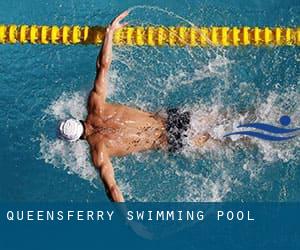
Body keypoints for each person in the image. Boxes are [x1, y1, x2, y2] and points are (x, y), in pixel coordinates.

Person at [58, 11, 210, 202]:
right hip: (172, 118)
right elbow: (103, 66)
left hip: (171, 140)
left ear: (76, 140)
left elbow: (112, 189)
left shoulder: (99, 152)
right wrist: (109, 33)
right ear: (76, 119)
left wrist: (131, 222)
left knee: (228, 141)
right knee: (226, 118)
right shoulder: (95, 105)